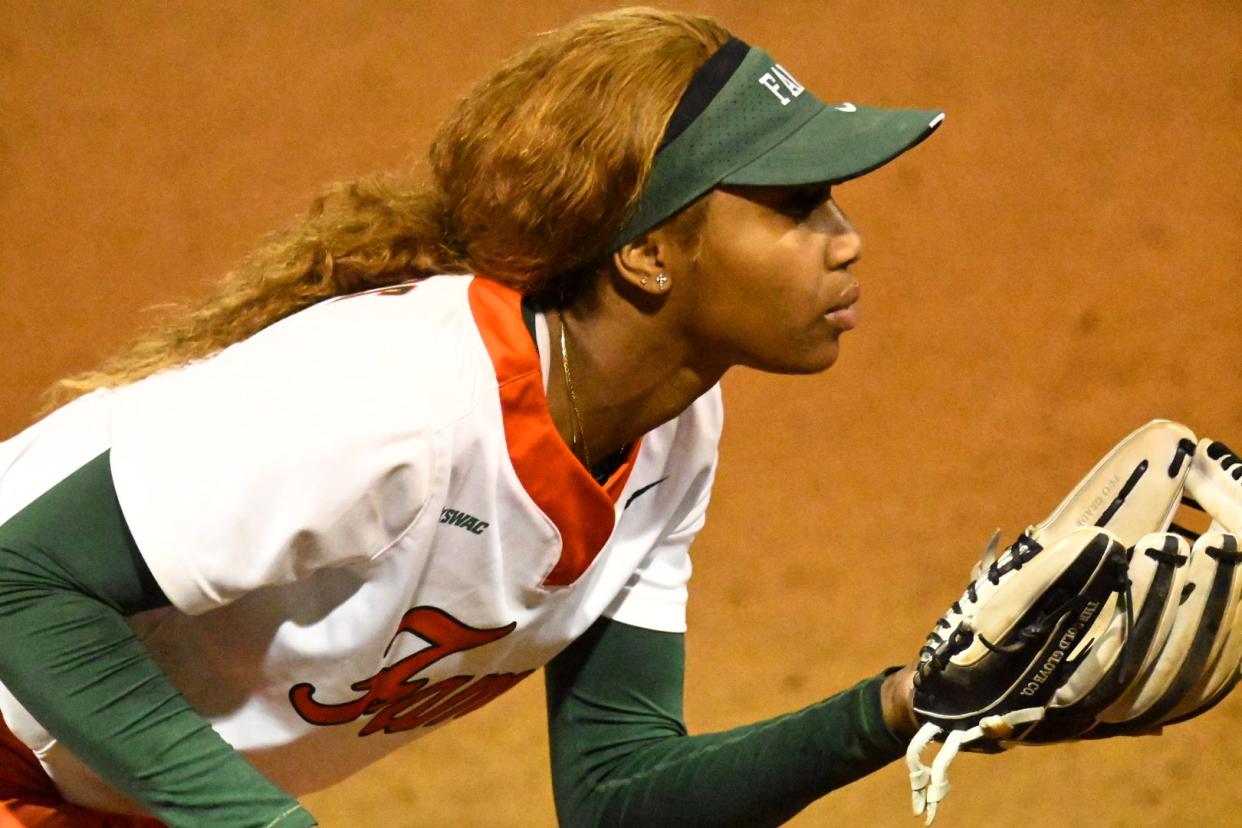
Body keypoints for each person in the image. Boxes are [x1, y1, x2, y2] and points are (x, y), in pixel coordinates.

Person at [0, 7, 945, 826]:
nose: (845, 238)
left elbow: (619, 795)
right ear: (649, 254)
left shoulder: (673, 430)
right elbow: (19, 582)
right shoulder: (402, 398)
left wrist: (902, 706)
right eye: (795, 203)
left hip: (116, 785)